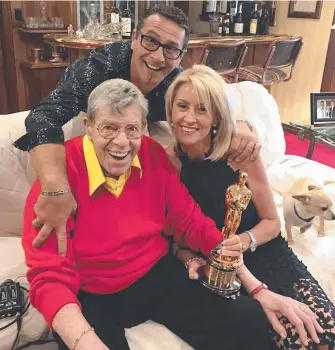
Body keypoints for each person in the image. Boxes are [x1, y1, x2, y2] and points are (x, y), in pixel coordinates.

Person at [22, 78, 275, 350]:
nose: (121, 142)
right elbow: (48, 274)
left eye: (132, 129)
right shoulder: (58, 180)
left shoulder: (152, 155)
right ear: (89, 128)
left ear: (143, 129)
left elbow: (190, 221)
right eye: (109, 127)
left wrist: (255, 286)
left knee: (248, 319)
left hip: (155, 275)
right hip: (89, 291)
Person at [14, 4, 261, 256]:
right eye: (150, 41)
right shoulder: (99, 68)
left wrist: (241, 125)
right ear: (134, 38)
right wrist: (56, 187)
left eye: (171, 48)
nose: (157, 56)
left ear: (180, 55)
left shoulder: (174, 82)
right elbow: (43, 116)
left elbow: (211, 106)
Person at [164, 65, 335, 350]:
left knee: (323, 333)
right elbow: (173, 235)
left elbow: (271, 221)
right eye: (182, 106)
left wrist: (241, 243)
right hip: (219, 267)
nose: (189, 118)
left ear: (216, 115)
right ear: (170, 110)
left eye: (202, 109)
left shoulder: (239, 153)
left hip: (265, 252)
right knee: (287, 341)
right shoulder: (168, 162)